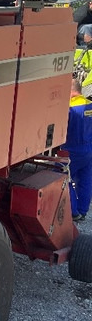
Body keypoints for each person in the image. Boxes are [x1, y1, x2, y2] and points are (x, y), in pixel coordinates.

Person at [65, 78, 92, 221]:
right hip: (89, 150)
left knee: (63, 176)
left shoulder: (70, 109)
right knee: (86, 180)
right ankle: (83, 211)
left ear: (70, 91)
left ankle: (74, 212)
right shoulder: (90, 105)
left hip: (72, 151)